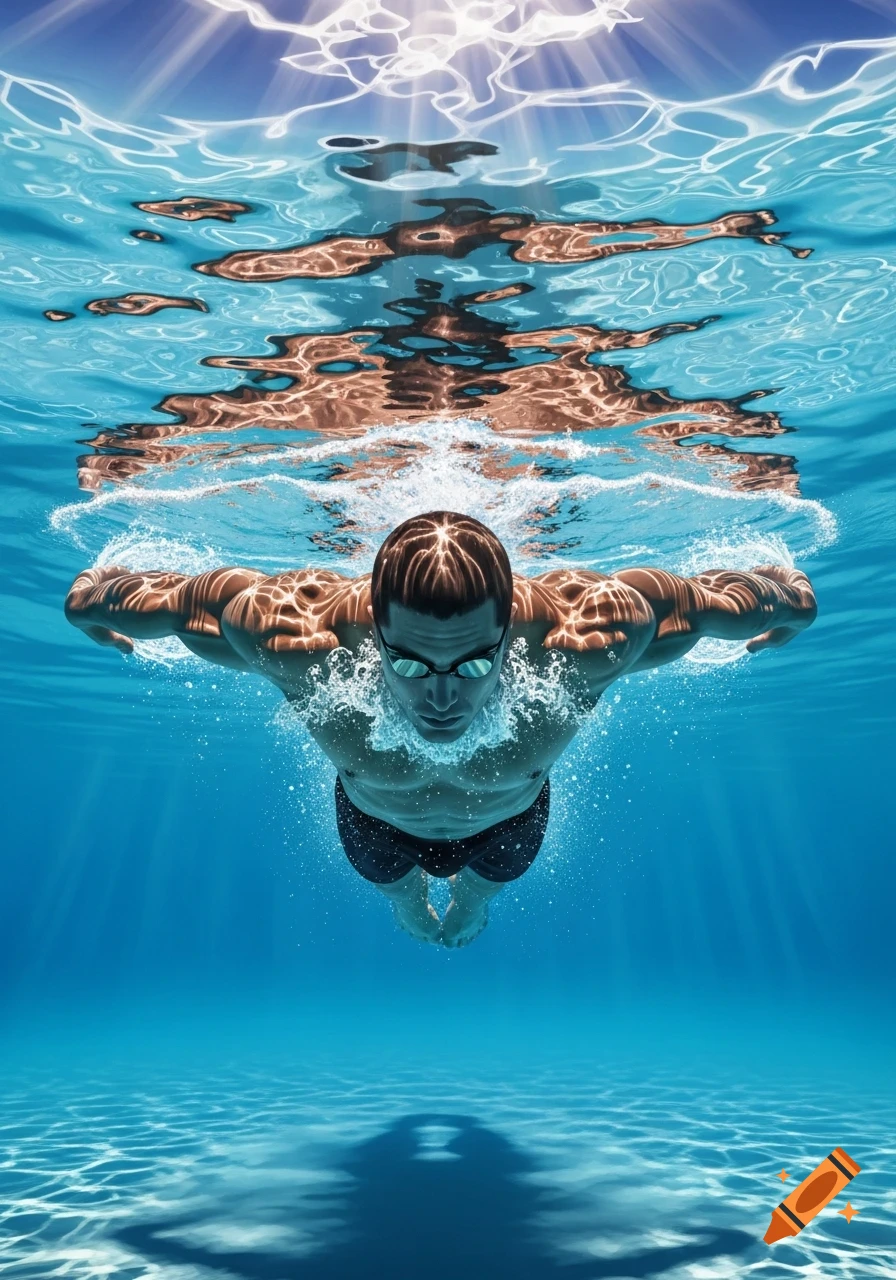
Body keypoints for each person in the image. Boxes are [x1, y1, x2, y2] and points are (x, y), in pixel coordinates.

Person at [65, 512, 817, 948]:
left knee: (481, 895)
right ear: (373, 631)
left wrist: (787, 607)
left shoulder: (591, 638)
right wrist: (93, 608)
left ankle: (474, 904)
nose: (443, 698)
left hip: (510, 820)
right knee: (397, 892)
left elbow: (747, 600)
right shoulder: (294, 636)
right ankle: (406, 905)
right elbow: (136, 600)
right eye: (412, 664)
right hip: (375, 820)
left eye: (473, 665)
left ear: (509, 632)